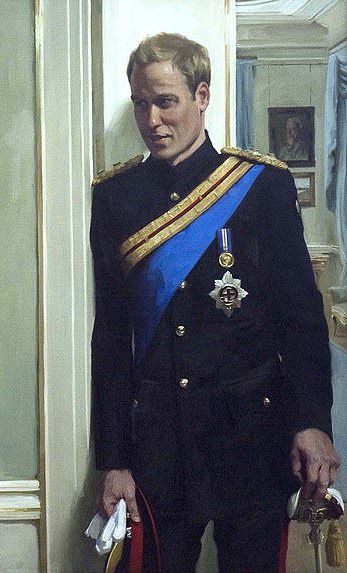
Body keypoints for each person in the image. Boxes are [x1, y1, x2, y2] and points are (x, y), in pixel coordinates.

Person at [90, 33, 340, 573]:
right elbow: (110, 339)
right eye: (140, 103)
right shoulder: (114, 199)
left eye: (165, 101)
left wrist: (313, 420)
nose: (151, 119)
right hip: (159, 448)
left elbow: (300, 320)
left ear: (202, 96)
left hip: (251, 439)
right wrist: (112, 460)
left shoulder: (262, 187)